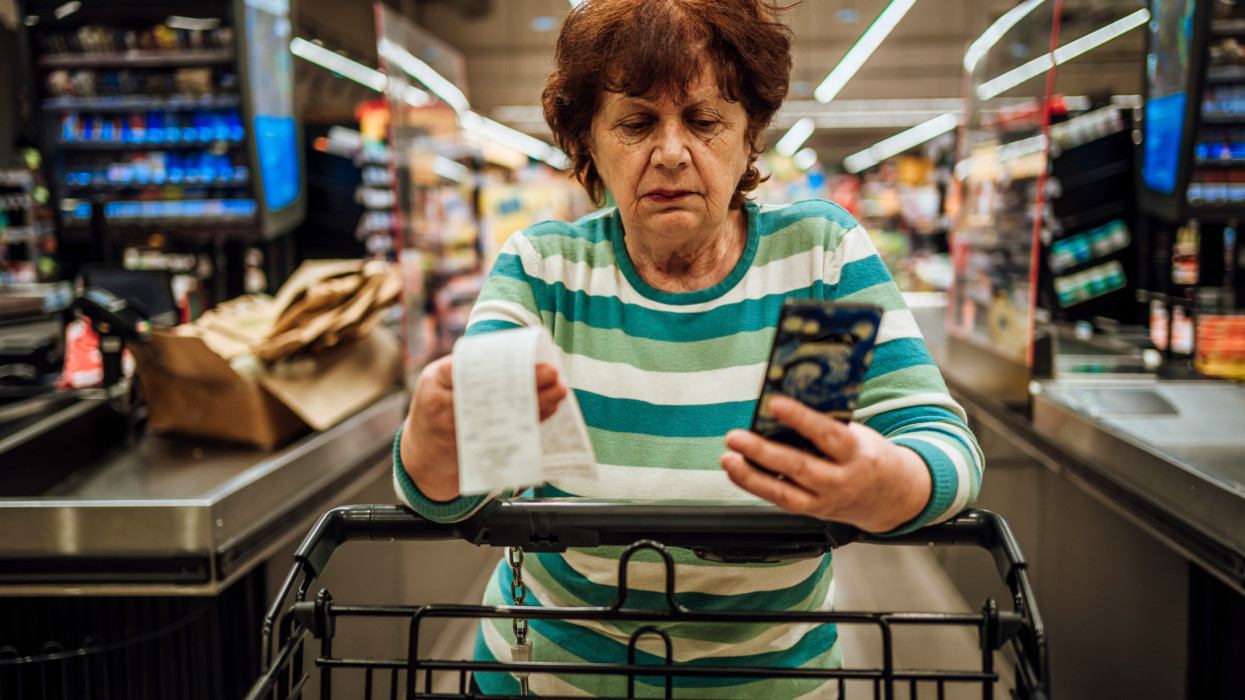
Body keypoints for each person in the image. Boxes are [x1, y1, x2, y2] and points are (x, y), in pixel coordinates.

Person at [393, 0, 984, 696]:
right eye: (637, 122)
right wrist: (435, 448)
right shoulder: (545, 272)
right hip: (546, 680)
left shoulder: (813, 262)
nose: (672, 152)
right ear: (588, 139)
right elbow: (452, 496)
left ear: (748, 134)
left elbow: (940, 444)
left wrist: (880, 484)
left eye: (704, 122)